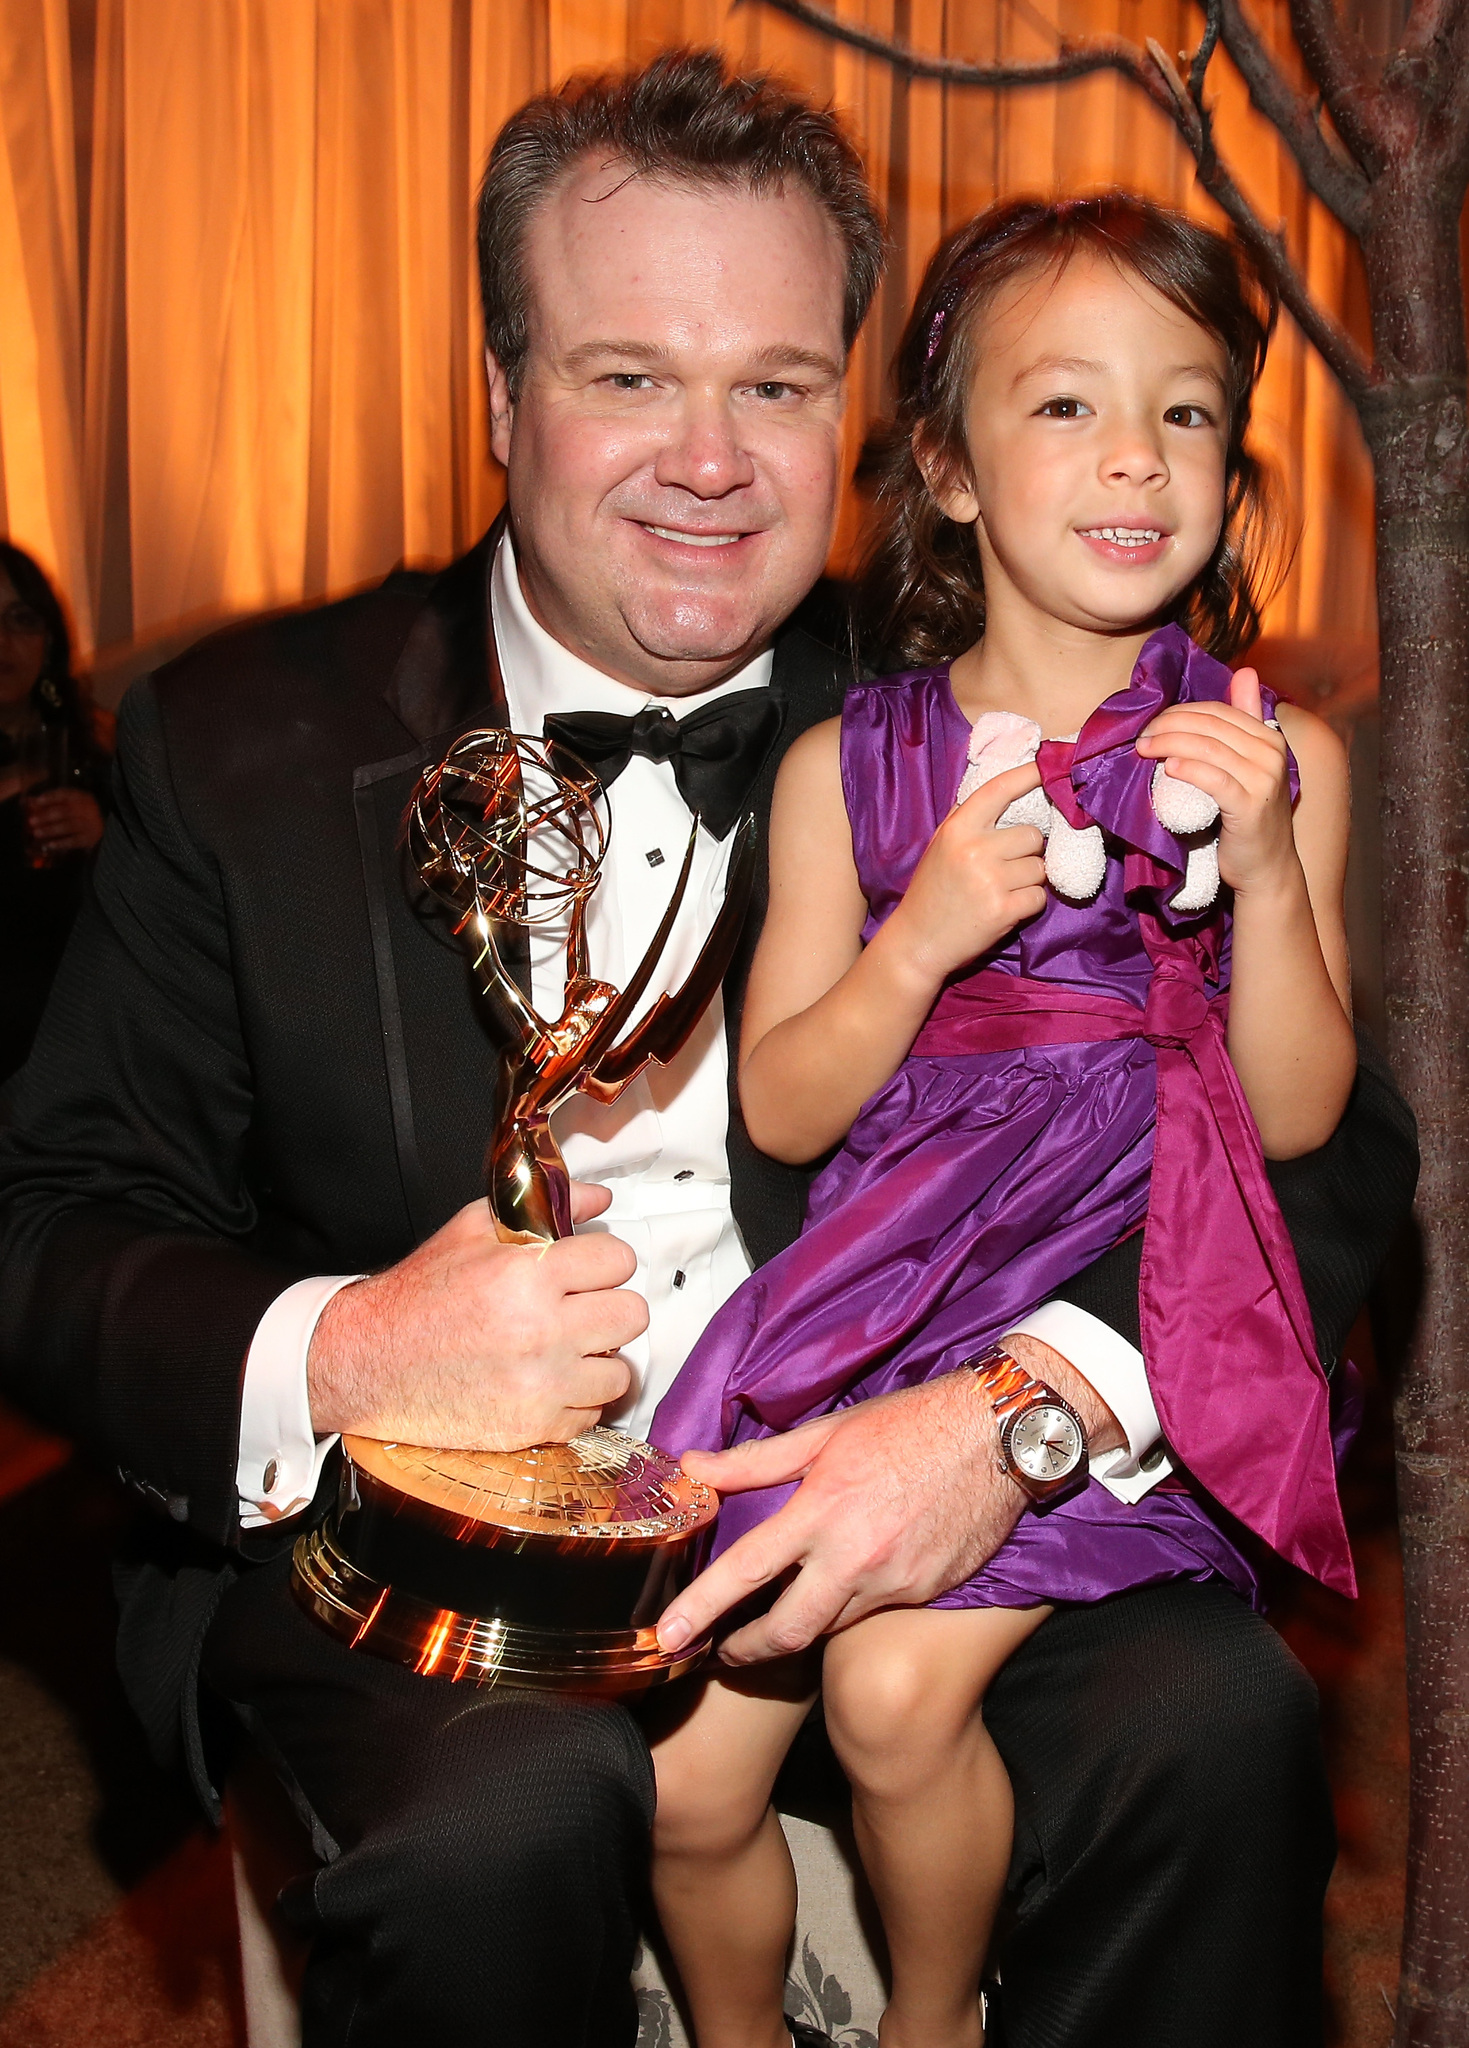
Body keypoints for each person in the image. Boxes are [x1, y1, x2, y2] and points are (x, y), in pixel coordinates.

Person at [0, 55, 1416, 2048]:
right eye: (622, 375)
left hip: (914, 1485)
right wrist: (347, 1348)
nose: (708, 457)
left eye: (767, 382)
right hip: (431, 1557)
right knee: (505, 1818)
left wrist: (1019, 1411)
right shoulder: (238, 744)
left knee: (1214, 1722)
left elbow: (1328, 1151)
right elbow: (47, 1225)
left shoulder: (960, 695)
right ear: (496, 396)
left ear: (857, 415)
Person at [644, 195, 1356, 2048]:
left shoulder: (1268, 762)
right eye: (1063, 406)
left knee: (888, 1700)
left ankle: (930, 2019)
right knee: (685, 1776)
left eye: (1185, 410)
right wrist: (921, 944)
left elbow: (1298, 1120)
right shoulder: (844, 767)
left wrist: (1266, 869)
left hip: (1110, 1288)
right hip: (868, 1293)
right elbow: (785, 1106)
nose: (1134, 452)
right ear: (944, 473)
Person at [0, 540, 111, 1080]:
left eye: (20, 619)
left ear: (46, 641)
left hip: (60, 1042)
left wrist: (103, 840)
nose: (1, 641)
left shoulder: (95, 755)